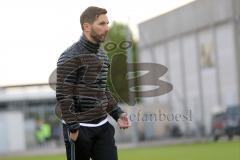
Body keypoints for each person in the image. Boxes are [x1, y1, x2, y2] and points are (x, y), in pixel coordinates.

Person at [56, 6, 131, 160]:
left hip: (103, 128)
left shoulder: (103, 56)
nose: (107, 28)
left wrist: (117, 113)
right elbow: (64, 94)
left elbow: (102, 90)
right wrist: (73, 128)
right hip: (79, 130)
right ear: (87, 27)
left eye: (107, 23)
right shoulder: (69, 56)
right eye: (102, 24)